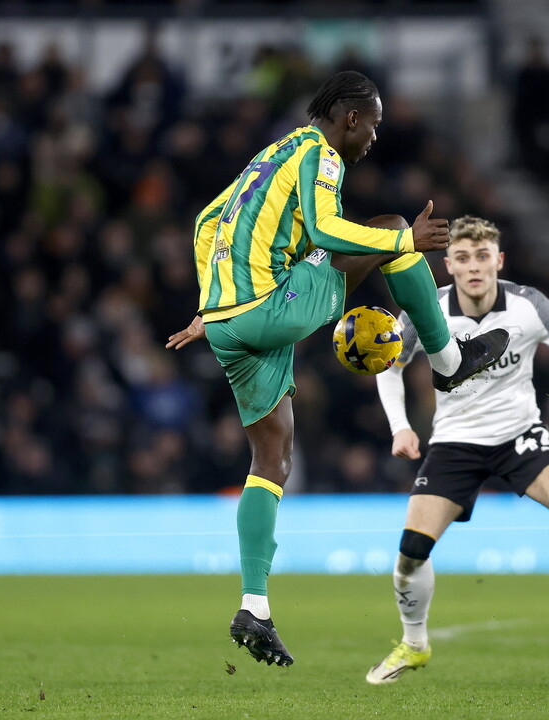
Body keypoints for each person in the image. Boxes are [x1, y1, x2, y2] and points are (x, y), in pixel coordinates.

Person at [166, 72, 510, 667]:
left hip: (227, 322)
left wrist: (211, 305)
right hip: (270, 306)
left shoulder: (271, 154)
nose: (374, 137)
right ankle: (450, 361)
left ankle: (254, 606)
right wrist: (404, 243)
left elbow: (205, 222)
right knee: (391, 230)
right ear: (350, 118)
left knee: (271, 456)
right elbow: (326, 229)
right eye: (373, 125)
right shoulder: (319, 154)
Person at [365, 215, 549, 685]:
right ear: (449, 265)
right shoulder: (427, 306)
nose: (474, 266)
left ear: (498, 260)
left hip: (521, 437)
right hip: (454, 442)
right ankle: (414, 643)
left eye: (482, 256)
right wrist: (400, 427)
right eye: (463, 258)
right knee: (411, 553)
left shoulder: (529, 305)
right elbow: (389, 366)